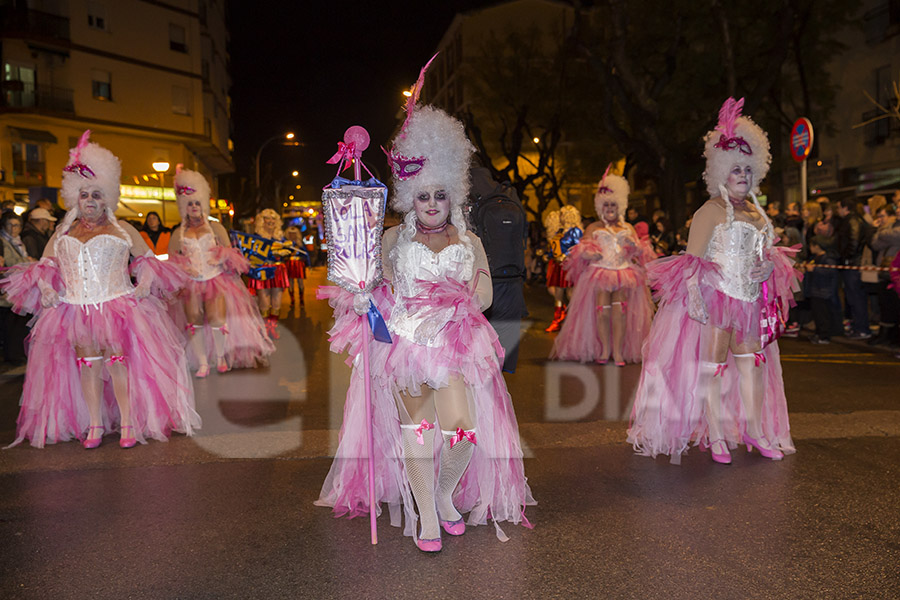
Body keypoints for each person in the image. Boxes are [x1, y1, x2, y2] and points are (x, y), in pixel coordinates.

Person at [316, 104, 533, 552]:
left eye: (440, 195)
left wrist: (466, 300)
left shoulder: (470, 240)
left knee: (463, 432)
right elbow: (369, 280)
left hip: (456, 344)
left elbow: (487, 291)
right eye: (423, 195)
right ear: (408, 196)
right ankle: (427, 517)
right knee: (418, 432)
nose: (432, 204)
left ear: (453, 194)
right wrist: (361, 293)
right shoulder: (394, 239)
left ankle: (441, 492)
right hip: (407, 346)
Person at [0, 131, 200, 449]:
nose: (90, 201)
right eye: (84, 195)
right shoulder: (63, 230)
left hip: (116, 306)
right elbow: (45, 265)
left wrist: (145, 283)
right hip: (74, 309)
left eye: (96, 194)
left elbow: (148, 260)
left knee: (117, 366)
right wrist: (45, 287)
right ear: (74, 197)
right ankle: (94, 424)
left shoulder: (124, 228)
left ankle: (128, 423)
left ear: (107, 196)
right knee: (88, 366)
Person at [628, 98, 800, 465]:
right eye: (735, 169)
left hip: (749, 301)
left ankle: (754, 430)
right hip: (717, 297)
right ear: (720, 171)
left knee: (752, 365)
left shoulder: (757, 214)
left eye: (748, 170)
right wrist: (695, 296)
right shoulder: (709, 211)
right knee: (712, 369)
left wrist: (767, 268)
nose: (742, 176)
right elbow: (691, 262)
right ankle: (716, 434)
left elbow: (767, 254)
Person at [168, 167, 275, 377]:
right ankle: (202, 363)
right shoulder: (177, 233)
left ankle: (219, 356)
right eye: (189, 204)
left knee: (218, 320)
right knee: (194, 322)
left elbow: (231, 253)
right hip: (191, 282)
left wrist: (221, 256)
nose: (194, 207)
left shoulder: (215, 228)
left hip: (214, 279)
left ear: (203, 204)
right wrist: (182, 266)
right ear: (184, 207)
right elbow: (171, 260)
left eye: (197, 203)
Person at [550, 169, 655, 365]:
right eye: (605, 204)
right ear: (600, 206)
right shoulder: (593, 228)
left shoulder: (627, 228)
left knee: (620, 312)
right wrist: (589, 253)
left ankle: (618, 352)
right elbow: (580, 251)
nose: (609, 208)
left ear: (620, 205)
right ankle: (605, 350)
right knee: (602, 312)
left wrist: (634, 247)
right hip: (600, 272)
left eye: (613, 204)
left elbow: (641, 252)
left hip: (623, 272)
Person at [248, 208, 290, 331]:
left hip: (278, 270)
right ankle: (265, 330)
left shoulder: (280, 236)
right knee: (264, 304)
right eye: (268, 218)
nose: (271, 221)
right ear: (262, 220)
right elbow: (254, 254)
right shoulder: (257, 236)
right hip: (263, 270)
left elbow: (288, 250)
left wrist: (287, 248)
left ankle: (272, 328)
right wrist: (277, 251)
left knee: (277, 303)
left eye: (273, 218)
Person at [834, 198, 871, 339]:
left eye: (839, 207)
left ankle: (862, 329)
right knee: (853, 298)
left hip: (852, 264)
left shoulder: (852, 221)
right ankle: (858, 327)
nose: (838, 211)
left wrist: (847, 258)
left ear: (845, 208)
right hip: (850, 263)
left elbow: (853, 242)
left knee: (856, 298)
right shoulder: (851, 220)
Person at [0, 212, 34, 363]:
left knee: (16, 324)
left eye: (17, 225)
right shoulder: (3, 241)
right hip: (7, 288)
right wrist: (26, 262)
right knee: (10, 325)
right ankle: (12, 355)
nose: (14, 229)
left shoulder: (18, 241)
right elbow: (10, 262)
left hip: (18, 288)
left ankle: (16, 353)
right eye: (10, 225)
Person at [283, 225, 308, 309]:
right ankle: (292, 300)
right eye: (290, 234)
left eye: (294, 234)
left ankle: (302, 300)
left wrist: (304, 261)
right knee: (290, 283)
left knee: (300, 282)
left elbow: (305, 255)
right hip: (289, 265)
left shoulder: (300, 244)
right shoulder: (285, 244)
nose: (292, 235)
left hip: (298, 265)